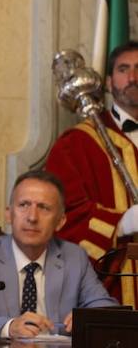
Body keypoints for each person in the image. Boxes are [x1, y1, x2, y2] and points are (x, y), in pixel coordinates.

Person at [0, 170, 117, 339]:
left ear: (60, 221)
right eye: (24, 205)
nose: (32, 217)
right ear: (8, 214)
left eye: (44, 207)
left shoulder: (75, 257)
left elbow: (105, 307)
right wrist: (9, 326)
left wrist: (90, 317)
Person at [45, 40, 138, 307]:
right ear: (108, 82)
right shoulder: (76, 144)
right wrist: (123, 222)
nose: (132, 77)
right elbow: (63, 216)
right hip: (115, 289)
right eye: (123, 69)